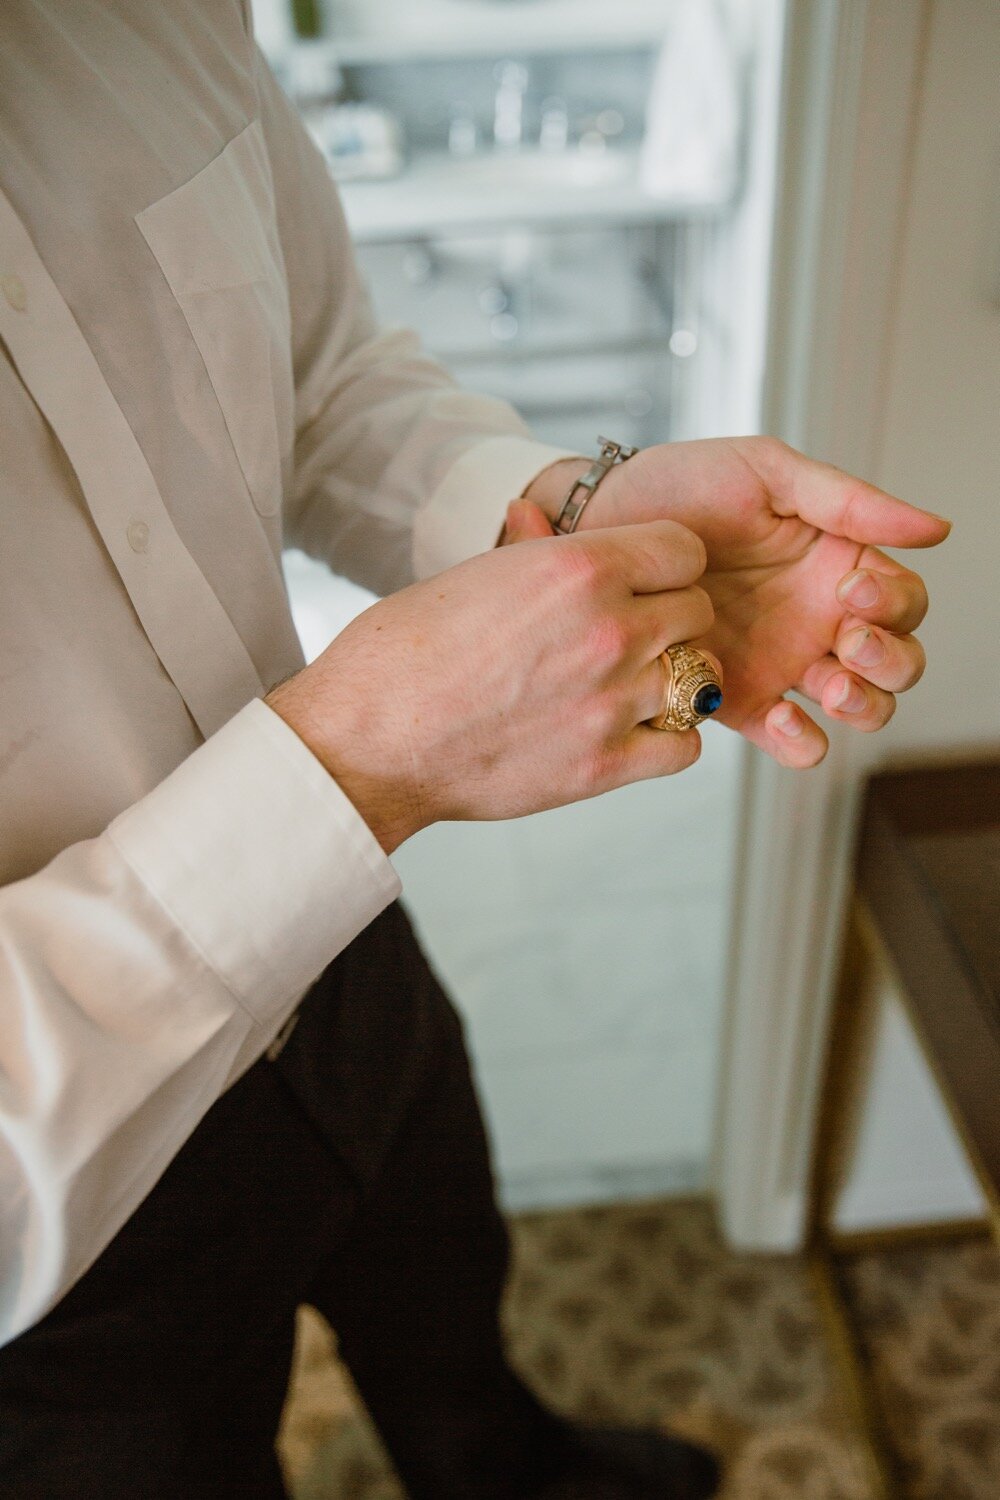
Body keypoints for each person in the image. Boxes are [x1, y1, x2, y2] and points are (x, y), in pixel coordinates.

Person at [0, 4, 947, 1497]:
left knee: (446, 1274)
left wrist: (583, 514)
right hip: (60, 1238)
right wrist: (360, 761)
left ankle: (504, 1463)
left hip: (344, 953)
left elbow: (320, 383)